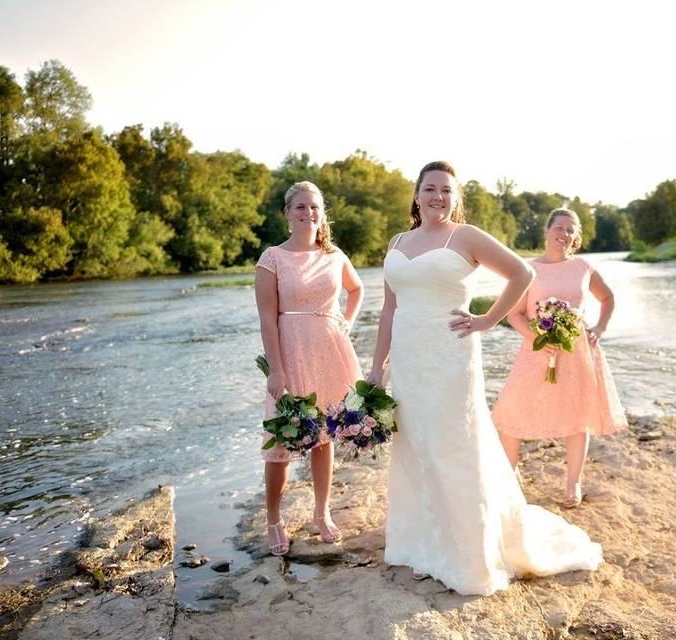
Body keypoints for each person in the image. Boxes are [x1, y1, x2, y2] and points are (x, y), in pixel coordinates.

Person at [367, 161, 603, 596]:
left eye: (447, 190)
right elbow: (388, 308)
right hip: (408, 358)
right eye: (430, 188)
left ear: (456, 199)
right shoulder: (397, 241)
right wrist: (376, 366)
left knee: (453, 445)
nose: (438, 196)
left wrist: (487, 320)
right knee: (415, 443)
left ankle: (464, 550)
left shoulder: (466, 236)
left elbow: (522, 273)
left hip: (451, 354)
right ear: (416, 195)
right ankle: (422, 544)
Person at [254, 181, 363, 555]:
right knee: (280, 442)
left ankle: (321, 512)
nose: (308, 213)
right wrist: (276, 371)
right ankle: (274, 520)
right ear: (287, 213)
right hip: (290, 349)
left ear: (322, 212)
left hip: (328, 350)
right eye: (300, 207)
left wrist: (345, 322)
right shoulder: (272, 258)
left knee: (323, 436)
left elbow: (357, 289)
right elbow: (268, 321)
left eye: (314, 207)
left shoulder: (334, 255)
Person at [493, 208, 626, 509]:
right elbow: (513, 314)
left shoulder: (583, 267)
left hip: (577, 351)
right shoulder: (526, 269)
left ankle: (573, 483)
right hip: (536, 349)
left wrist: (600, 327)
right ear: (546, 230)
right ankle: (508, 476)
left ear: (576, 236)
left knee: (577, 416)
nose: (564, 234)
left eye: (570, 230)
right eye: (559, 228)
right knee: (511, 409)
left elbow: (608, 298)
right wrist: (535, 339)